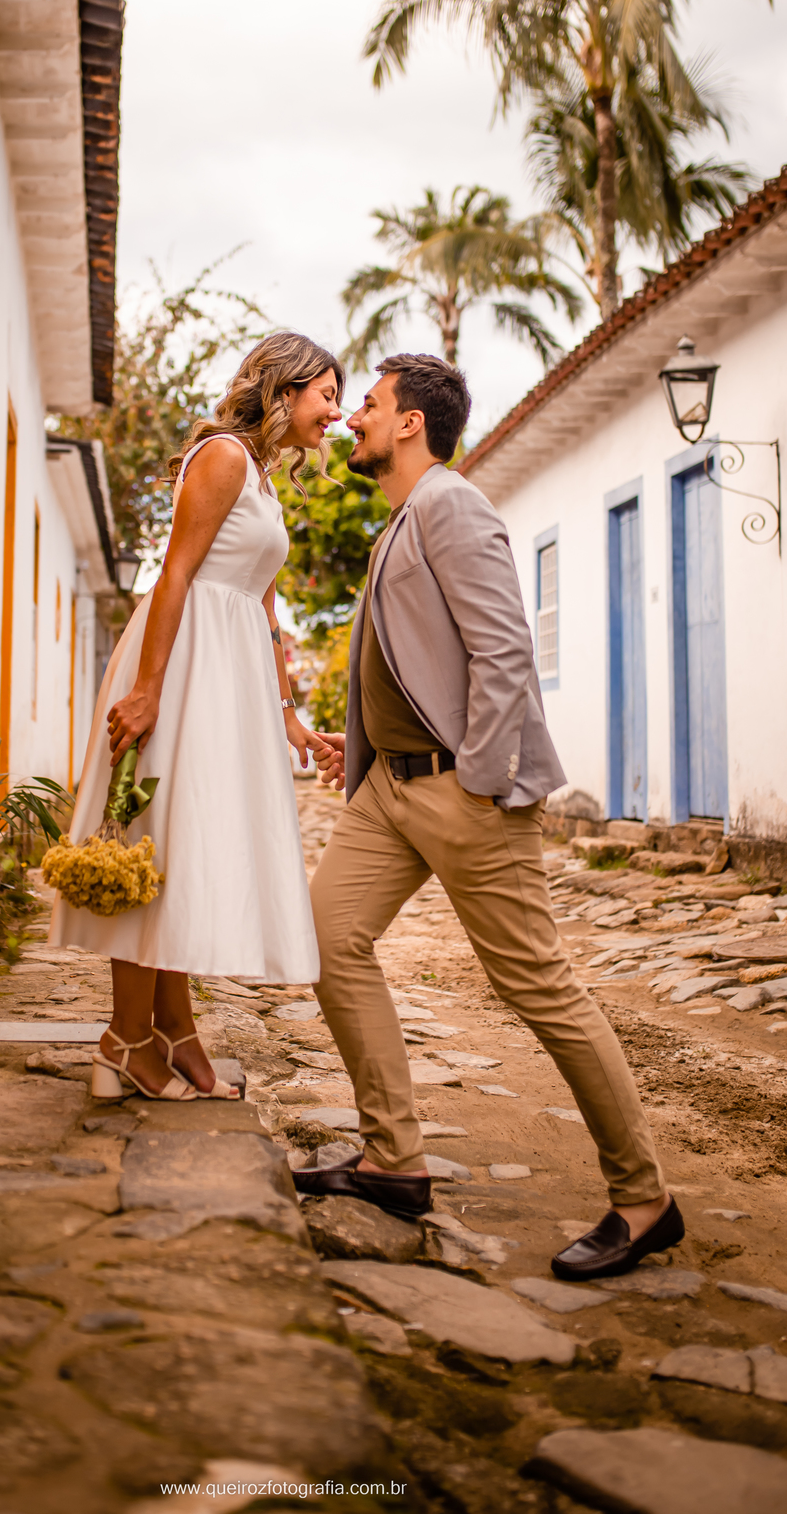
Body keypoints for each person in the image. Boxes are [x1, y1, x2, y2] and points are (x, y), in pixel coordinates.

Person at [296, 353, 683, 1281]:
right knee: (328, 937)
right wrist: (360, 745)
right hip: (389, 790)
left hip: (460, 791)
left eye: (370, 405)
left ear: (411, 423)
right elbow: (416, 662)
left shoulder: (453, 505)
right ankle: (392, 1159)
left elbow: (506, 651)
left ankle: (645, 1199)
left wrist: (477, 778)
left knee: (539, 985)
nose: (353, 419)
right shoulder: (403, 517)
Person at [49, 333, 340, 1103]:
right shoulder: (224, 457)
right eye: (326, 395)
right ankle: (124, 1040)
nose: (335, 415)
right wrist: (148, 690)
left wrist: (288, 714)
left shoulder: (265, 480)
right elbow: (175, 572)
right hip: (182, 665)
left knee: (179, 845)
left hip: (227, 675)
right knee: (154, 841)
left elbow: (266, 607)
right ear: (284, 390)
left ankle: (173, 1031)